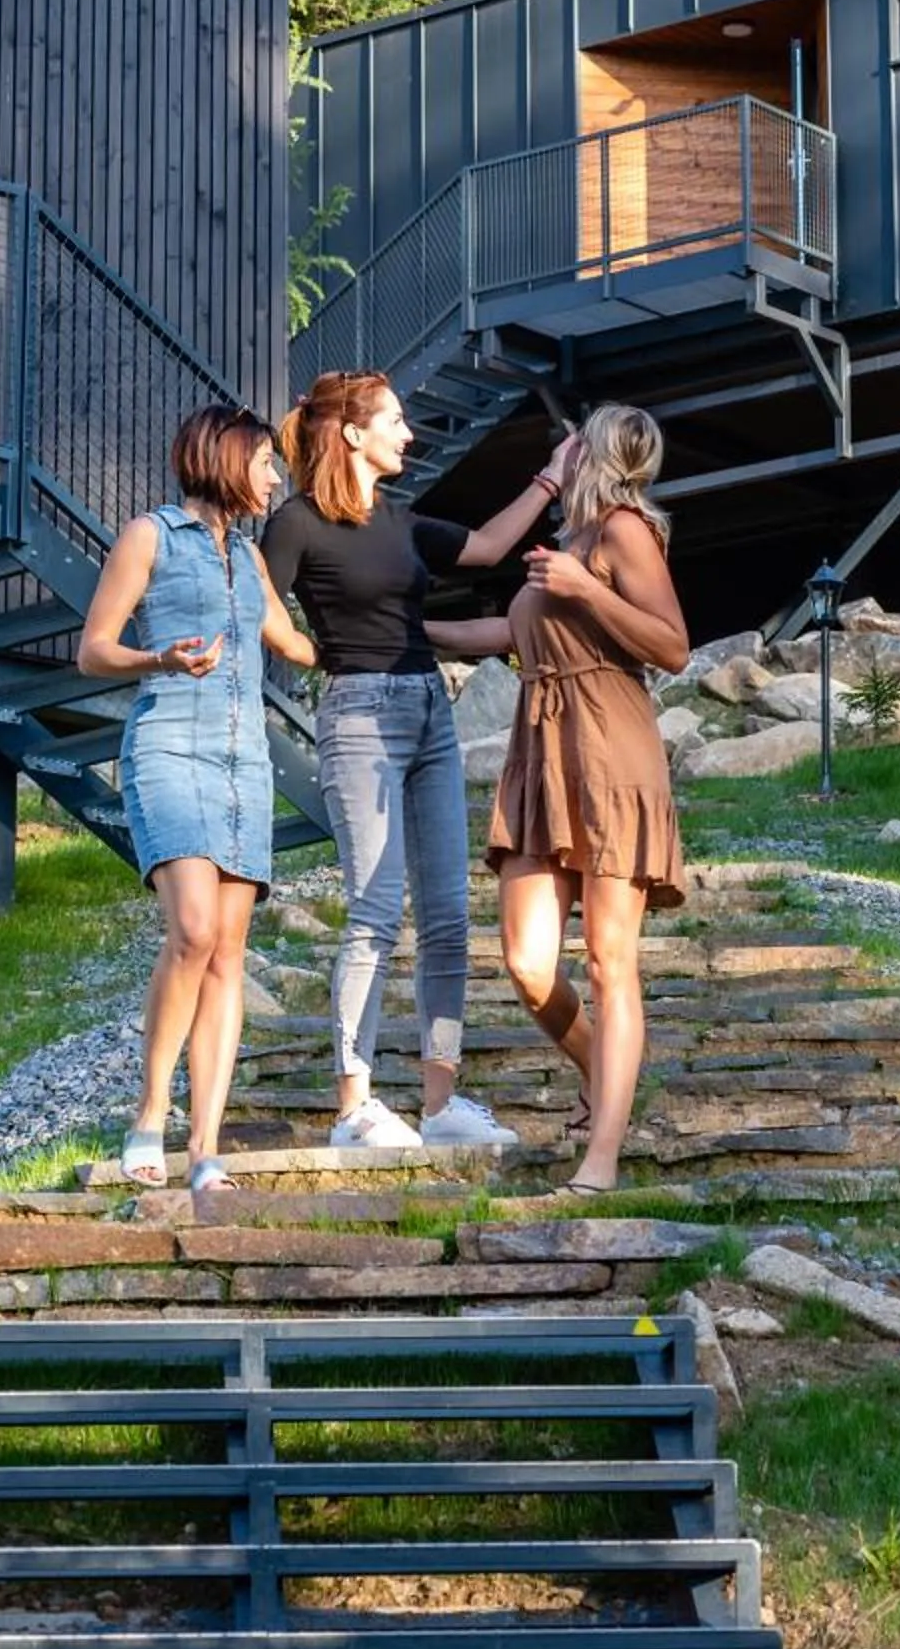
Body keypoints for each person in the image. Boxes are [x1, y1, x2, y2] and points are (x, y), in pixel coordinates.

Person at [267, 370, 565, 1150]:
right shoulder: (296, 523)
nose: (410, 434)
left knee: (444, 915)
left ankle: (440, 1106)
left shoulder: (403, 523)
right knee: (373, 909)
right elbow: (256, 598)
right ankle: (353, 1109)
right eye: (395, 421)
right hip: (360, 718)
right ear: (352, 433)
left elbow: (493, 546)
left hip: (430, 712)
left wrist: (552, 477)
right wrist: (309, 649)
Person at [429, 404, 688, 1195]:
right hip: (543, 750)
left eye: (567, 446)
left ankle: (601, 1160)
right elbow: (507, 636)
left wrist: (586, 588)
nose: (556, 454)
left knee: (611, 964)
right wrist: (401, 624)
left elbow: (673, 645)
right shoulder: (570, 543)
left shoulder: (622, 530)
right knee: (526, 960)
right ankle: (603, 1075)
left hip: (610, 744)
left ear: (594, 453)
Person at [76, 406, 317, 1192]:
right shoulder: (149, 536)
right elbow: (93, 651)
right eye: (267, 463)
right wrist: (160, 658)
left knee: (229, 954)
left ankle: (207, 1146)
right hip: (169, 746)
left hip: (245, 765)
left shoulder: (248, 559)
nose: (276, 478)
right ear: (226, 458)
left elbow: (296, 645)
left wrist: (390, 624)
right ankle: (150, 1113)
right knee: (192, 929)